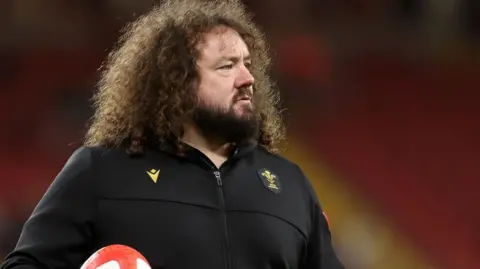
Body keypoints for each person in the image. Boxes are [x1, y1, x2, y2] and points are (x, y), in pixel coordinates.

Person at [0, 0, 344, 268]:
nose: (247, 78)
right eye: (227, 66)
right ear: (178, 83)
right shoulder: (101, 172)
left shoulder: (290, 183)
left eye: (247, 64)